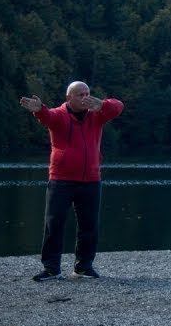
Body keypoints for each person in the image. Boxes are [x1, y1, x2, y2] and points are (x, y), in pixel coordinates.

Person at [19, 82, 124, 281]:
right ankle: (51, 269)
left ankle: (83, 268)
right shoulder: (59, 114)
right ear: (69, 98)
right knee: (54, 224)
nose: (85, 97)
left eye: (87, 93)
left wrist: (102, 104)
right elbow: (47, 117)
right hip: (61, 180)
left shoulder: (97, 114)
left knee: (89, 226)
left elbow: (118, 107)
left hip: (91, 179)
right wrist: (39, 110)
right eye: (80, 94)